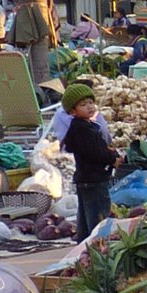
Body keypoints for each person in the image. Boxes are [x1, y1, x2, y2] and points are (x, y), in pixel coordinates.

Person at [61, 84, 119, 239]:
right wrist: (112, 159)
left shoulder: (85, 127)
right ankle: (96, 249)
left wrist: (108, 151)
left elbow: (94, 149)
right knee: (98, 220)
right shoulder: (83, 130)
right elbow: (94, 153)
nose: (89, 107)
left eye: (90, 103)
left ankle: (83, 246)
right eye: (83, 105)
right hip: (94, 180)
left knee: (85, 218)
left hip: (86, 179)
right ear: (72, 111)